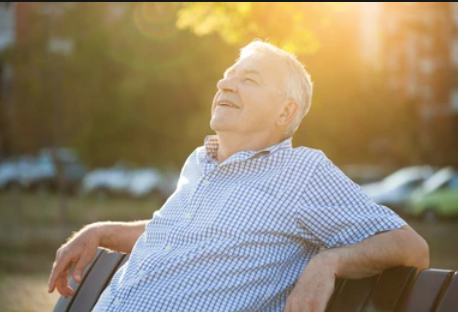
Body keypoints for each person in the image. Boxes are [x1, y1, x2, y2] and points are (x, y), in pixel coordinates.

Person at [48, 40, 429, 312]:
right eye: (227, 76)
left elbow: (411, 247)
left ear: (284, 112)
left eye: (248, 79)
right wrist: (100, 232)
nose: (224, 84)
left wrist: (327, 263)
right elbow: (176, 231)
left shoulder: (301, 172)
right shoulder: (200, 163)